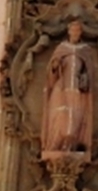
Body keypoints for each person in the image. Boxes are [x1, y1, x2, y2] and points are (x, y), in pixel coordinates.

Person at [40, 21, 94, 158]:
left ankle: (71, 144)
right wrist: (55, 66)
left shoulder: (85, 50)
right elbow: (51, 73)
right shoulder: (61, 48)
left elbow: (89, 71)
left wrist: (86, 78)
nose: (75, 33)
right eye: (73, 30)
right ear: (69, 32)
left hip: (76, 89)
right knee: (59, 114)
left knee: (75, 116)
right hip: (62, 86)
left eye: (78, 31)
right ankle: (55, 143)